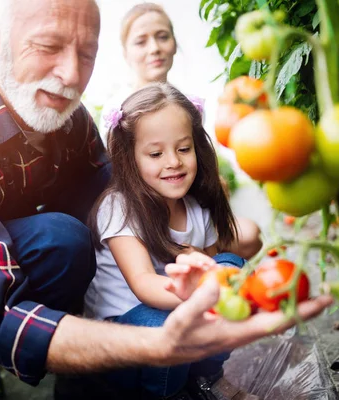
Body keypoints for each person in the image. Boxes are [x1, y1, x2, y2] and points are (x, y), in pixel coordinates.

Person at [0, 0, 332, 399]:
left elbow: (127, 198)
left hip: (11, 249)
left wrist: (205, 245)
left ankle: (86, 358)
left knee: (67, 237)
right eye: (48, 46)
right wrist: (155, 343)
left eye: (87, 53)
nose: (70, 73)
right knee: (60, 241)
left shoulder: (67, 117)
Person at [85, 82, 244, 398]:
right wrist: (201, 296)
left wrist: (219, 284)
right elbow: (143, 282)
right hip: (126, 339)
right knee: (165, 321)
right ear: (130, 157)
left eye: (184, 149)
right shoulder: (119, 207)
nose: (173, 161)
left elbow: (212, 263)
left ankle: (206, 377)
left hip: (182, 319)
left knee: (233, 267)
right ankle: (165, 394)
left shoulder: (196, 209)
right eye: (156, 153)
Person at [99, 2, 262, 260]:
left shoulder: (189, 105)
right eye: (141, 41)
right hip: (145, 219)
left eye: (162, 36)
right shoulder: (117, 111)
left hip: (187, 213)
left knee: (251, 235)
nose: (155, 48)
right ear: (126, 52)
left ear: (175, 43)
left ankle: (204, 257)